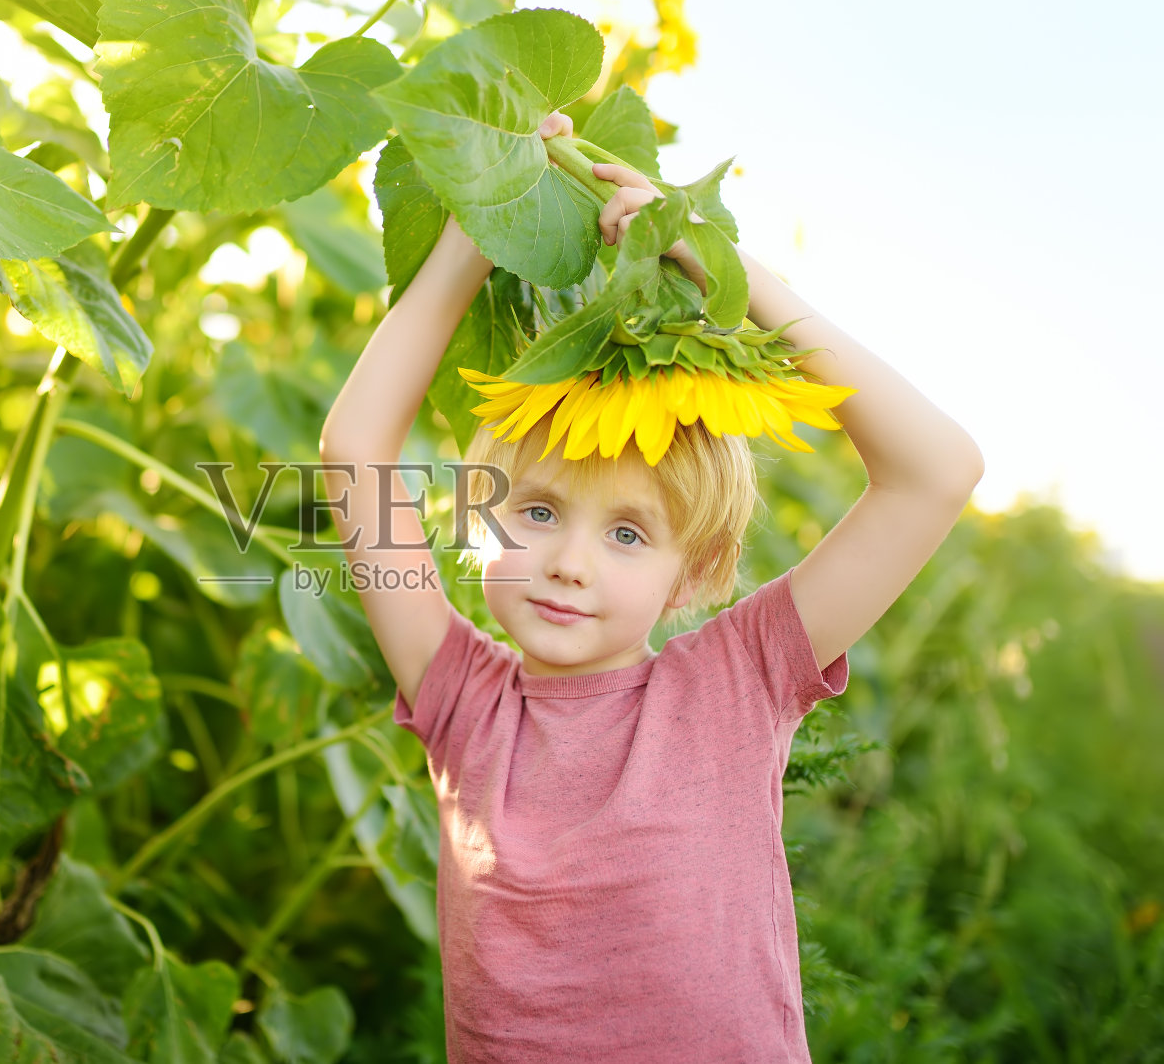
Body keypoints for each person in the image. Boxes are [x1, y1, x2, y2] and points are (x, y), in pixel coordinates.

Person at [316, 111, 983, 1062]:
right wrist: (481, 229)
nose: (571, 561)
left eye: (629, 533)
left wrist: (732, 275)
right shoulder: (461, 695)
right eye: (538, 511)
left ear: (696, 573)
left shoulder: (739, 679)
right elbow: (354, 452)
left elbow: (937, 472)